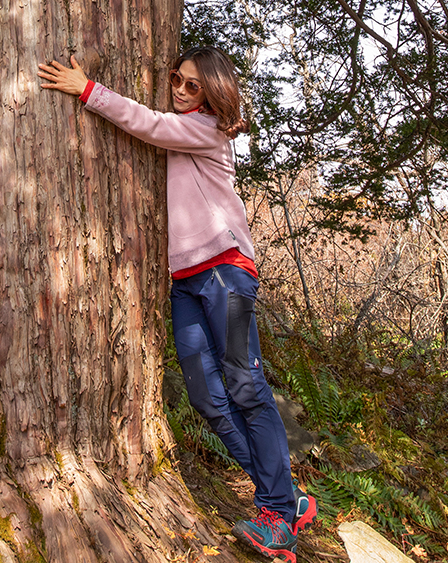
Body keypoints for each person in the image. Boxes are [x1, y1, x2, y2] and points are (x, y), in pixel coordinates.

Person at [38, 47, 316, 563]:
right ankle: (289, 498)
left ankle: (277, 515)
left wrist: (86, 88)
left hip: (227, 274)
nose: (182, 91)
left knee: (246, 386)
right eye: (176, 81)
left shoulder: (208, 129)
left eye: (194, 86)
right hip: (186, 282)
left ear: (213, 94)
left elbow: (150, 125)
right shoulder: (188, 126)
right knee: (209, 399)